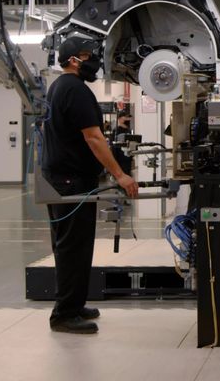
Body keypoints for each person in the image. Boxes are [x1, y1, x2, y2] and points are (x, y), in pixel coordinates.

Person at [43, 35, 139, 334]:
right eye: (88, 55)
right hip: (71, 180)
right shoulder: (75, 90)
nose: (93, 61)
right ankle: (64, 314)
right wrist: (120, 175)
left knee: (69, 245)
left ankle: (73, 303)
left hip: (60, 177)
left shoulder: (59, 87)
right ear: (73, 59)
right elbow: (93, 137)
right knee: (73, 247)